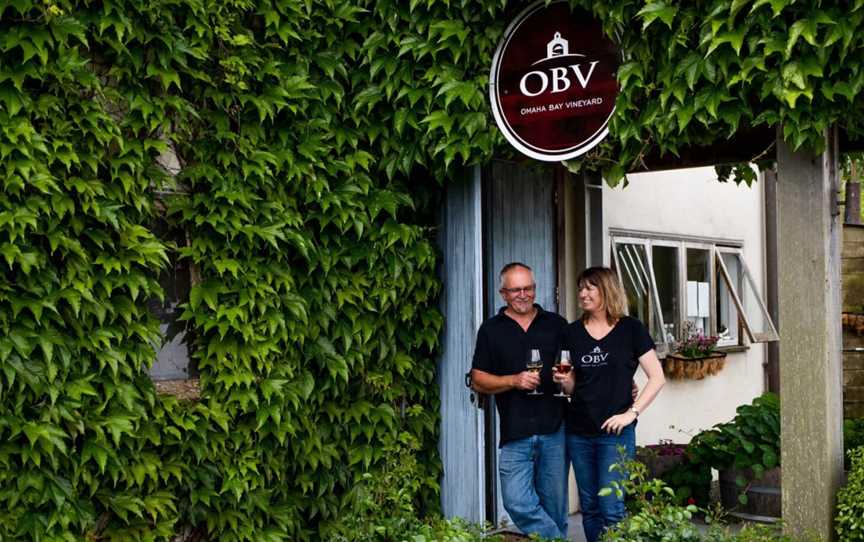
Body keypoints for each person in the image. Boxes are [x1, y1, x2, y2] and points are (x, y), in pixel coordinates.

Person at [553, 266, 665, 542]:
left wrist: (631, 413)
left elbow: (657, 377)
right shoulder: (571, 333)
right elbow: (573, 387)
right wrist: (563, 381)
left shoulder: (630, 329)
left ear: (607, 290)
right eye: (580, 288)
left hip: (615, 435)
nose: (583, 293)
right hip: (578, 431)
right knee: (590, 509)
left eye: (590, 287)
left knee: (611, 508)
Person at [470, 262, 568, 540]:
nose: (523, 294)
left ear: (535, 289)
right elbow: (478, 379)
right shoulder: (491, 330)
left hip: (555, 430)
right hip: (515, 433)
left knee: (555, 510)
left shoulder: (557, 325)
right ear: (503, 293)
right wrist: (513, 381)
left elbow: (573, 366)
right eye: (515, 290)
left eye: (528, 288)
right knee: (516, 502)